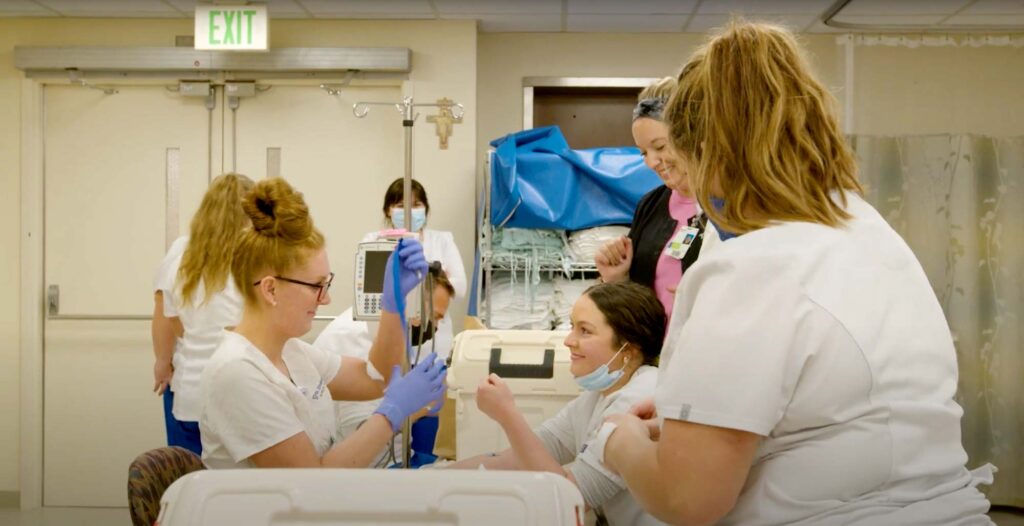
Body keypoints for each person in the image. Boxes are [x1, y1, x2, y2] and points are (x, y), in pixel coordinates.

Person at [596, 21, 994, 525]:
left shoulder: (751, 268)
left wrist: (619, 441)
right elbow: (830, 400)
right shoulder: (865, 228)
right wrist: (693, 414)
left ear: (713, 152)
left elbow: (687, 499)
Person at [198, 177, 447, 469]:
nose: (325, 299)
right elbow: (311, 482)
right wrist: (392, 413)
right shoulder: (237, 372)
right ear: (270, 289)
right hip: (276, 513)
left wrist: (393, 305)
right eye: (317, 286)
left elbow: (376, 379)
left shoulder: (291, 353)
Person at [448, 281, 668, 526]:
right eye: (572, 326)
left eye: (585, 331)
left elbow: (569, 499)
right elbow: (520, 458)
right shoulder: (595, 397)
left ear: (629, 348)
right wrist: (434, 479)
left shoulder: (640, 396)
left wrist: (508, 416)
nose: (568, 340)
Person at [151, 172, 254, 455]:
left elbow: (166, 315)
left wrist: (163, 361)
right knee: (238, 487)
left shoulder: (182, 251)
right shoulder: (254, 254)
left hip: (189, 392)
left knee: (190, 483)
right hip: (239, 391)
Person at [313, 266, 456, 467]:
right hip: (375, 468)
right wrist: (422, 407)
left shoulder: (393, 328)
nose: (436, 327)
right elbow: (362, 433)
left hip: (399, 456)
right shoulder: (356, 337)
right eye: (436, 317)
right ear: (414, 303)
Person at [594, 77, 711, 318]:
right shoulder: (651, 205)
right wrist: (618, 277)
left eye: (660, 147)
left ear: (689, 136)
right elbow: (638, 296)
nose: (651, 162)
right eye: (643, 152)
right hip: (653, 351)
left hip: (705, 346)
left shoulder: (730, 206)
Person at [363, 178, 466, 359]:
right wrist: (438, 277)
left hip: (436, 341)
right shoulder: (373, 241)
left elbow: (459, 289)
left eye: (416, 204)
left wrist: (414, 286)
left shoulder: (442, 240)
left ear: (426, 209)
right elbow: (372, 288)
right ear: (388, 210)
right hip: (389, 334)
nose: (409, 211)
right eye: (401, 205)